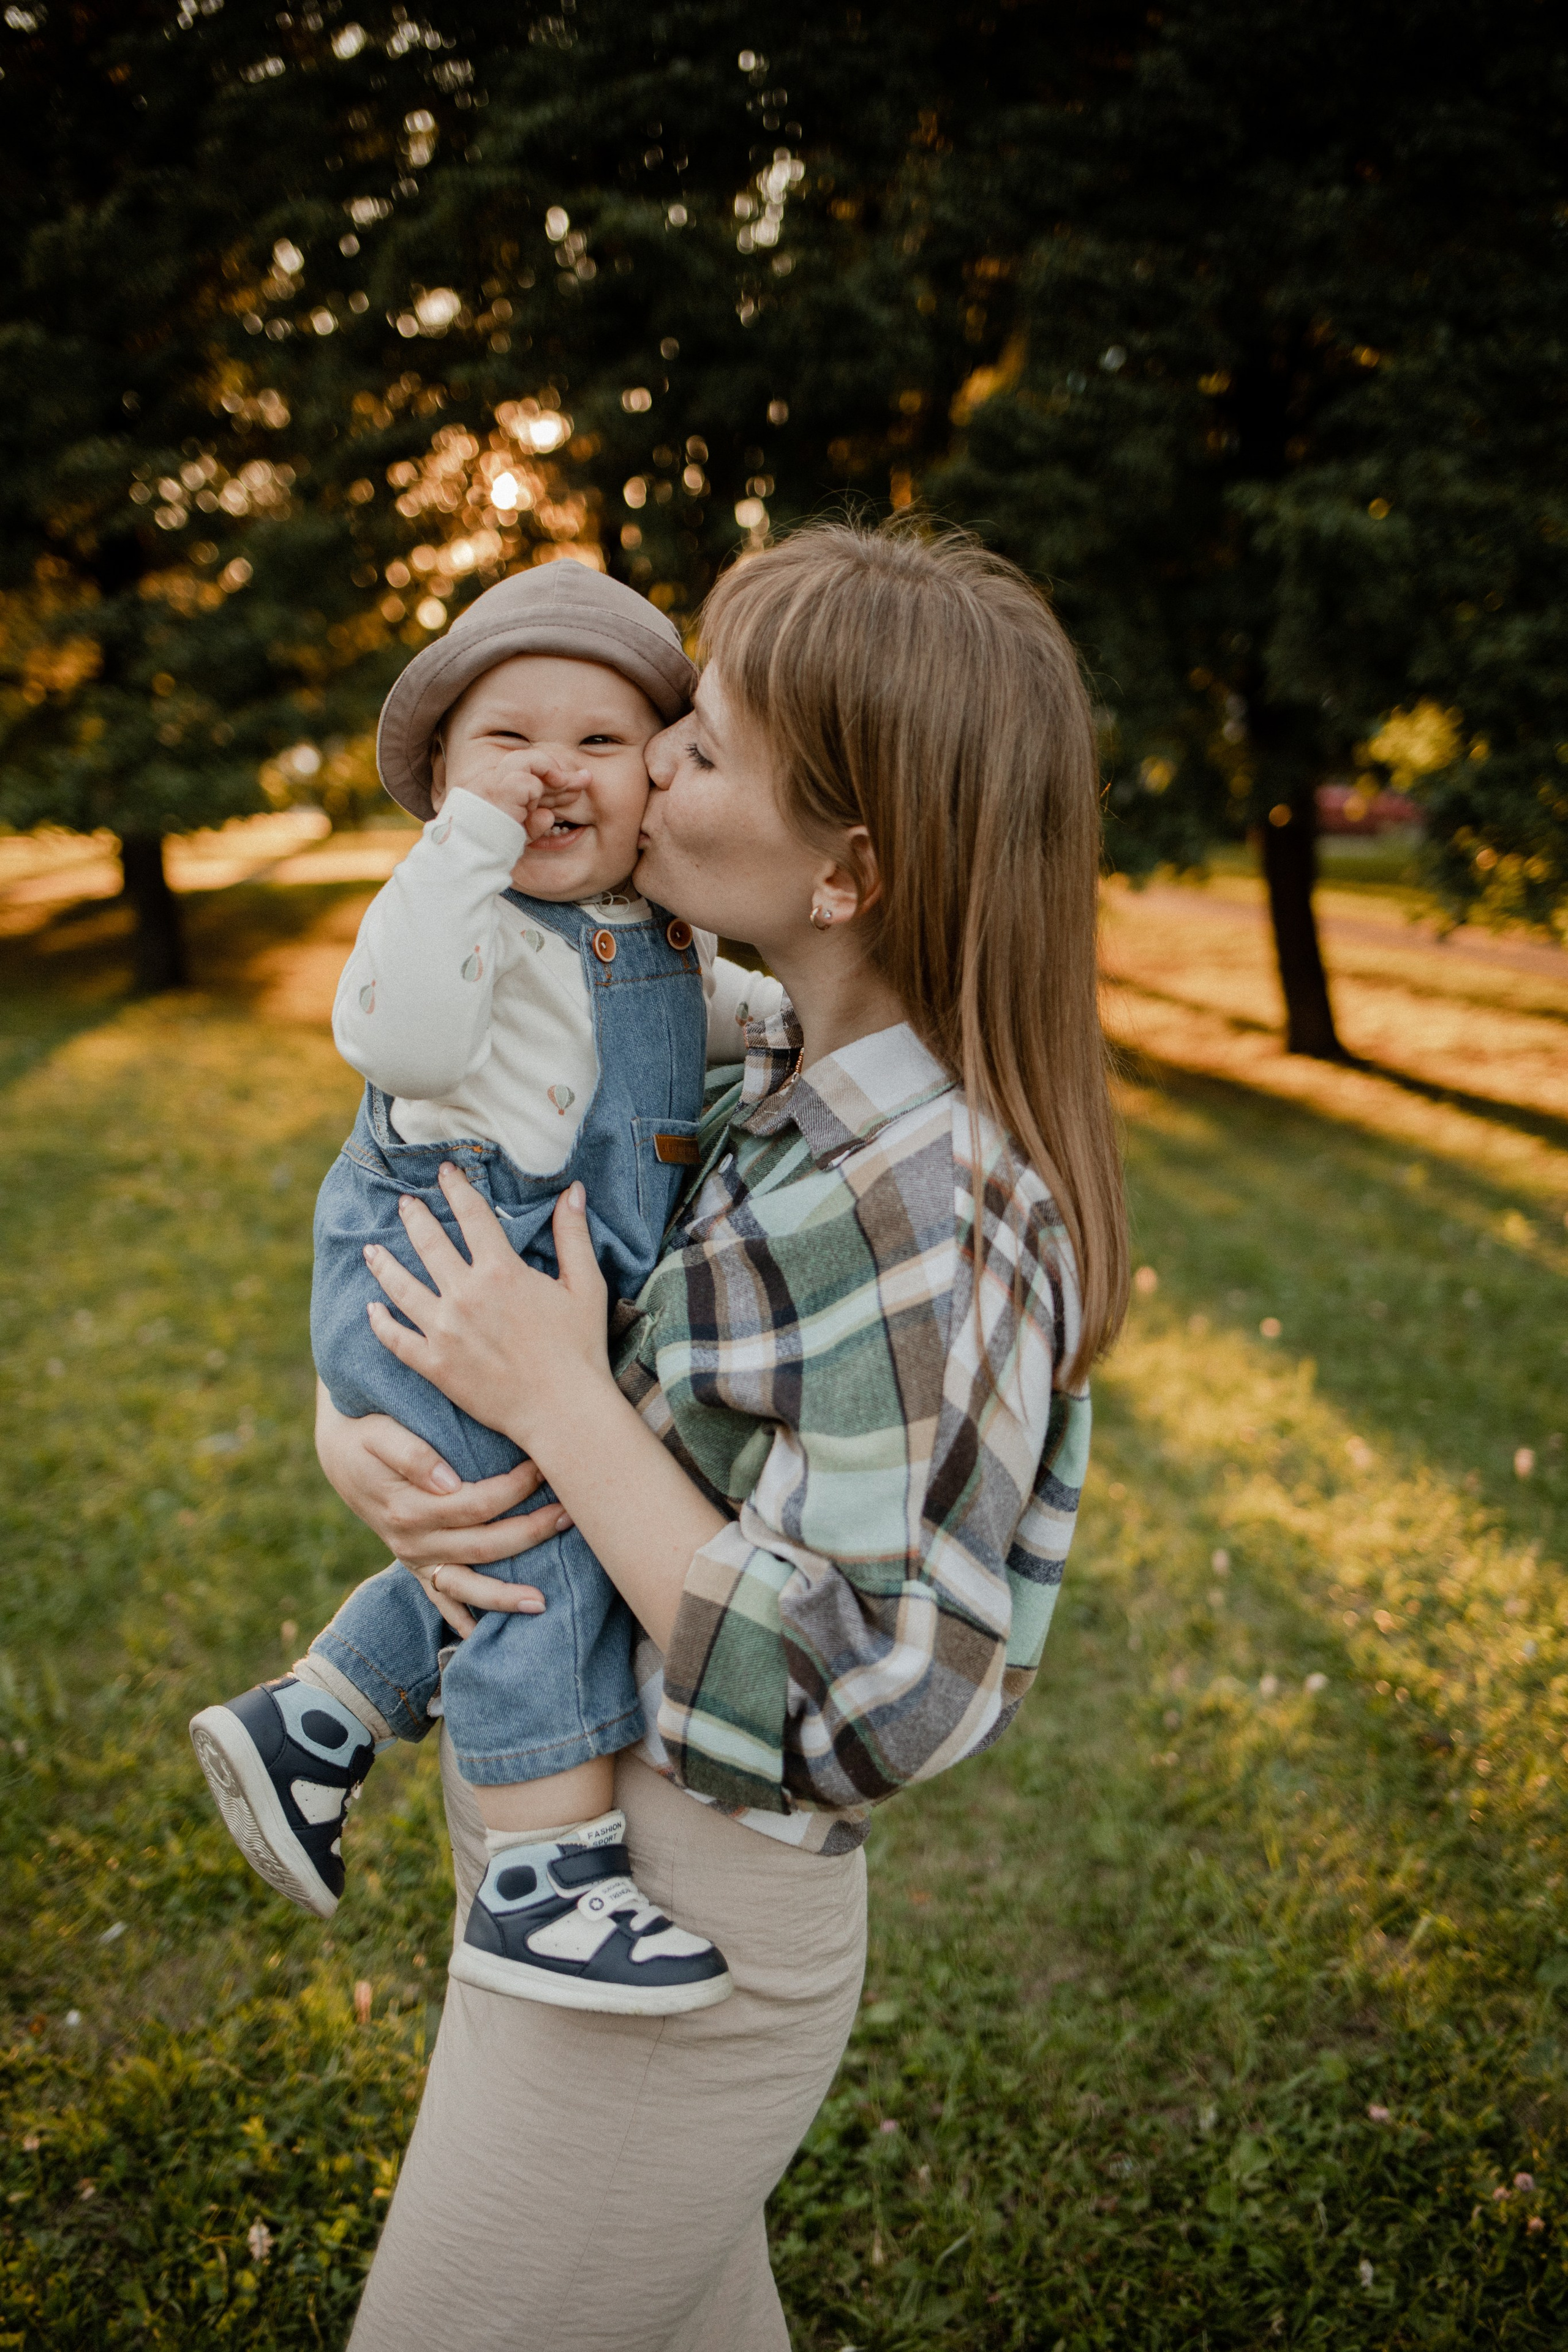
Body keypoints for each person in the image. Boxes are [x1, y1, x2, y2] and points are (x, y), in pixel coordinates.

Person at [314, 521, 1128, 2350]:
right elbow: (444, 1222)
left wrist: (562, 1405)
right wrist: (357, 1429)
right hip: (589, 1848)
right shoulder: (751, 1077)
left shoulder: (933, 1203)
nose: (641, 762)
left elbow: (880, 1696)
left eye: (703, 743)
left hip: (694, 1917)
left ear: (850, 871)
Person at [190, 559, 780, 2016]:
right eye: (503, 743)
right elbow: (396, 1034)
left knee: (503, 1530)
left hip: (525, 1304)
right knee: (546, 1558)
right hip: (442, 1282)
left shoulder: (645, 941)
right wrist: (456, 853)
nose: (548, 773)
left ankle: (318, 1720)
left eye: (597, 742)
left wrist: (783, 1019)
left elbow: (697, 1022)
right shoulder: (454, 921)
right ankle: (541, 1877)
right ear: (443, 780)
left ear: (655, 781)